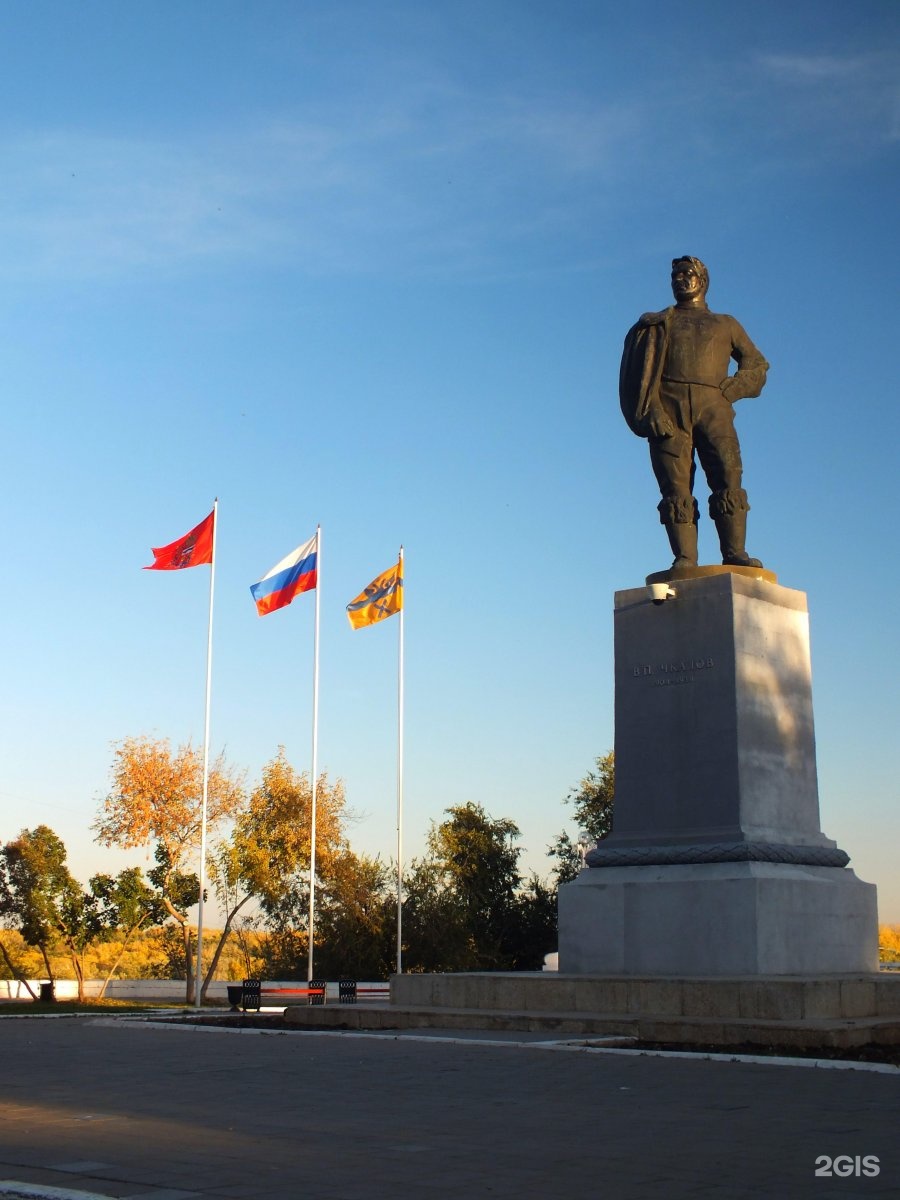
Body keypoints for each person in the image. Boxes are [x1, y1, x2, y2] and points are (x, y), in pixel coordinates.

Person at [619, 256, 768, 569]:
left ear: (703, 280)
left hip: (714, 406)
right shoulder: (658, 323)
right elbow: (637, 376)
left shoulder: (725, 323)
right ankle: (685, 558)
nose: (681, 279)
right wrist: (652, 409)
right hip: (668, 408)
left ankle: (734, 554)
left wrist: (732, 390)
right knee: (675, 486)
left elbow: (756, 363)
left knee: (728, 474)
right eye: (676, 275)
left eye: (688, 274)